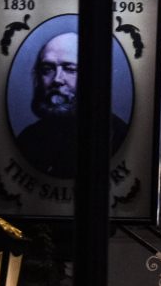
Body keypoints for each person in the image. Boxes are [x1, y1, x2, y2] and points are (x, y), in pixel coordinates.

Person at [10, 22, 130, 179]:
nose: (57, 79)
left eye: (70, 69)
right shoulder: (29, 139)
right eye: (48, 69)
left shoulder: (116, 135)